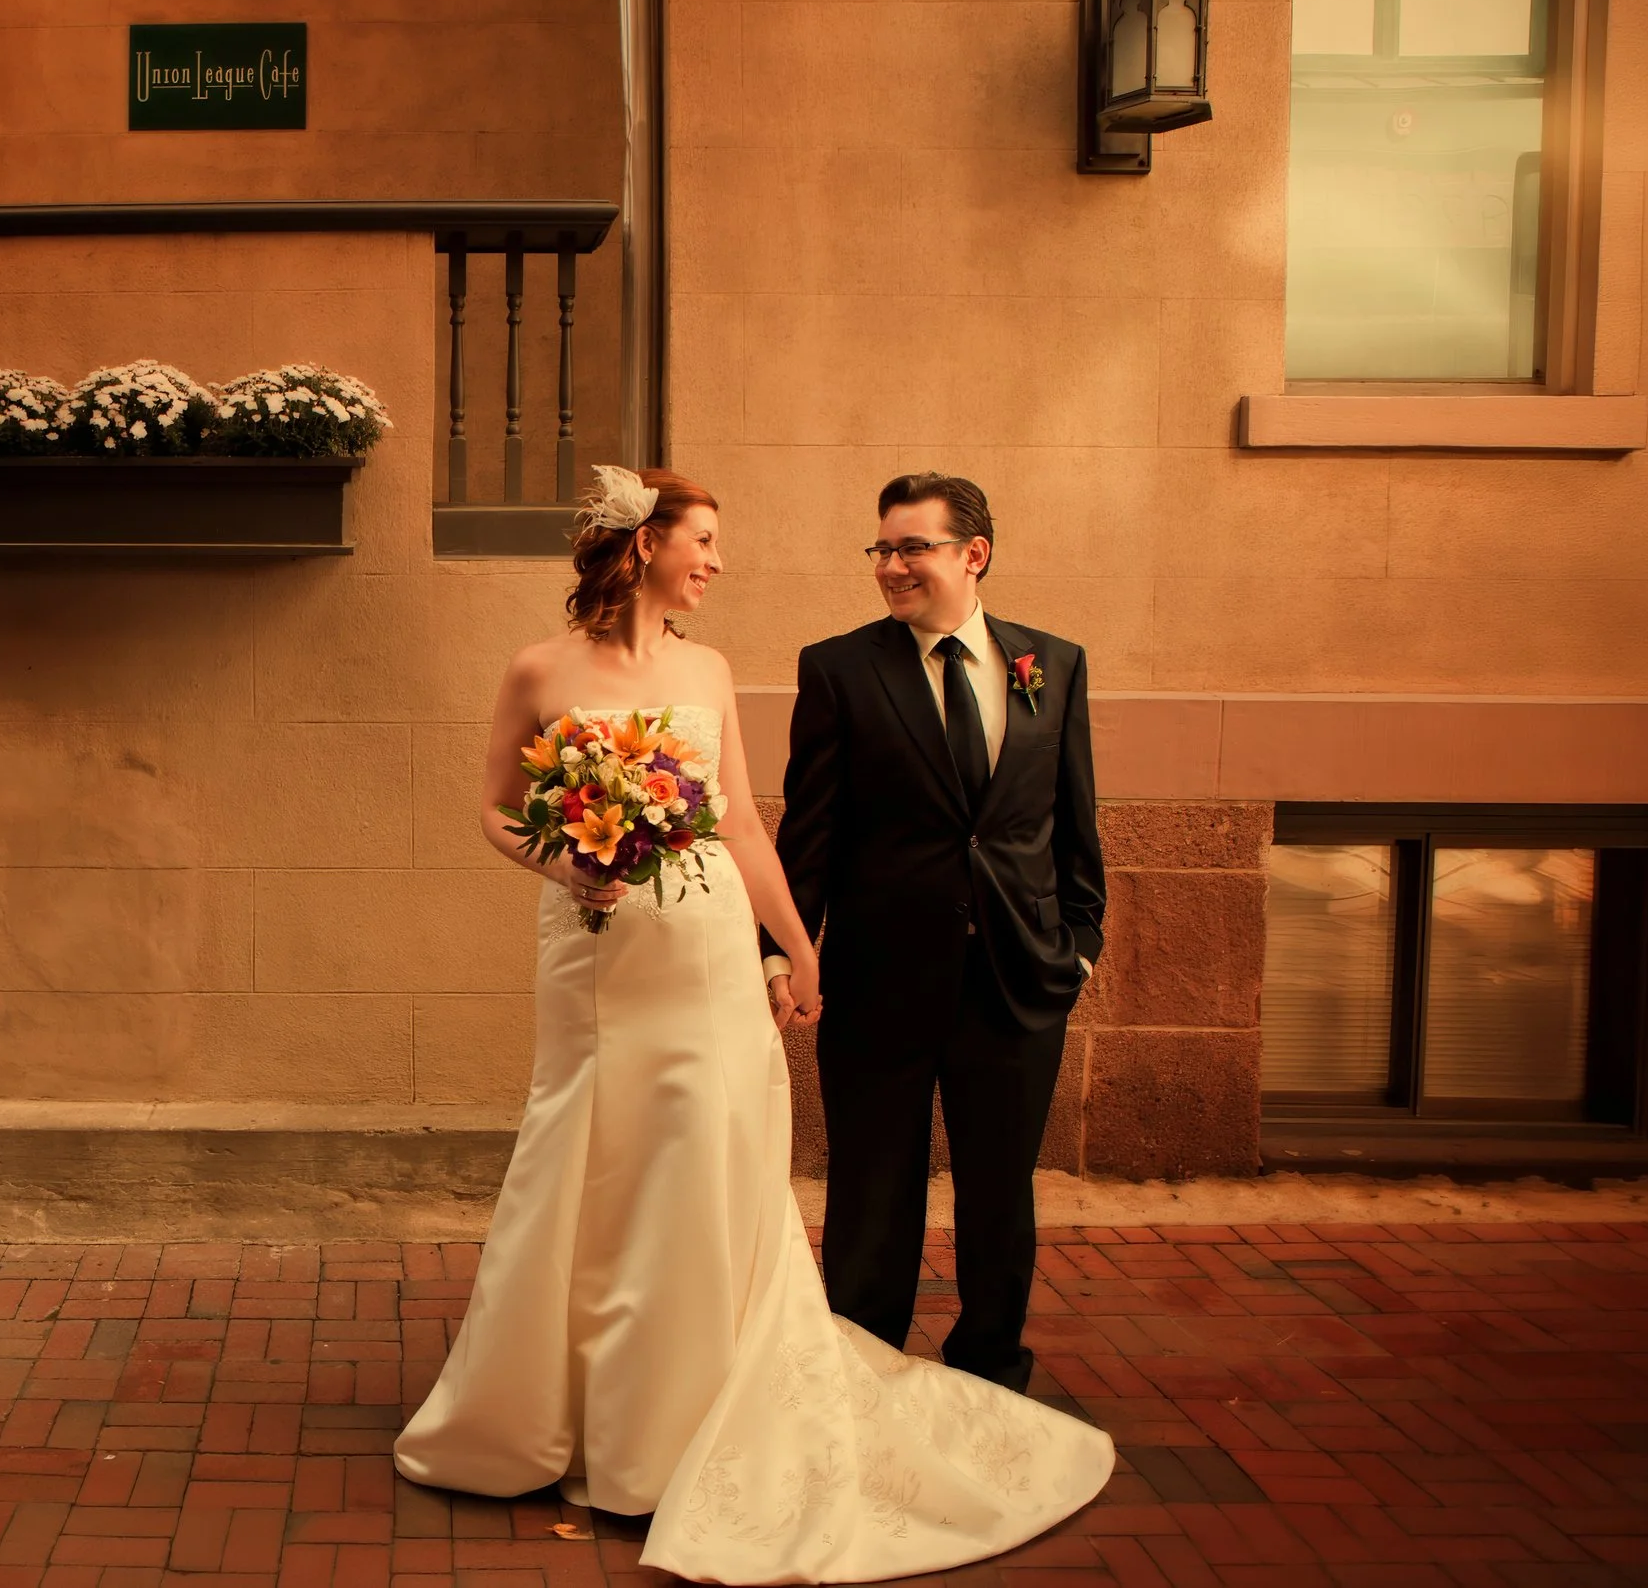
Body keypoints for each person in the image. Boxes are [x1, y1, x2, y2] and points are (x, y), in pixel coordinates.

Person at [395, 466, 1112, 1584]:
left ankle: (684, 1400)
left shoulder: (712, 668)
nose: (719, 562)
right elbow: (494, 806)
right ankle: (552, 1405)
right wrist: (564, 857)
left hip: (705, 940)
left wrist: (794, 943)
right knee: (582, 1151)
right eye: (706, 541)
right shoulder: (537, 669)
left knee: (709, 1156)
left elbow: (745, 828)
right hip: (596, 945)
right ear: (644, 547)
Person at [765, 471, 1106, 1396]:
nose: (891, 566)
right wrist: (783, 945)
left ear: (972, 554)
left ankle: (993, 1366)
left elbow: (1074, 820)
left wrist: (1078, 942)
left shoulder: (1053, 664)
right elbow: (812, 828)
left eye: (912, 546)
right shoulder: (839, 668)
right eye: (883, 548)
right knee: (874, 1190)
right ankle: (862, 1368)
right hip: (881, 980)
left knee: (1002, 1193)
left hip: (1018, 978)